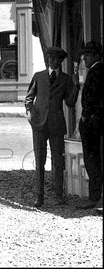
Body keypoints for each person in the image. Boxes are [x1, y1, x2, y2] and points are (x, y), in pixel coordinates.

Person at [25, 46, 79, 207]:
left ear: (61, 61)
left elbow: (69, 103)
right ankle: (39, 196)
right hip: (39, 124)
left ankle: (58, 195)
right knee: (39, 161)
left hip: (56, 125)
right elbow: (29, 97)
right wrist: (29, 113)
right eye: (50, 58)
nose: (52, 60)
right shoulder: (39, 76)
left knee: (58, 161)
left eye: (55, 58)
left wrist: (76, 86)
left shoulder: (66, 79)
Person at [75, 41, 103, 209]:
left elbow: (92, 100)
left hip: (94, 123)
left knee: (92, 160)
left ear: (97, 56)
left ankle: (94, 198)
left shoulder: (96, 72)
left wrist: (86, 118)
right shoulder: (95, 71)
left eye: (89, 54)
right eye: (85, 54)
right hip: (96, 122)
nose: (85, 58)